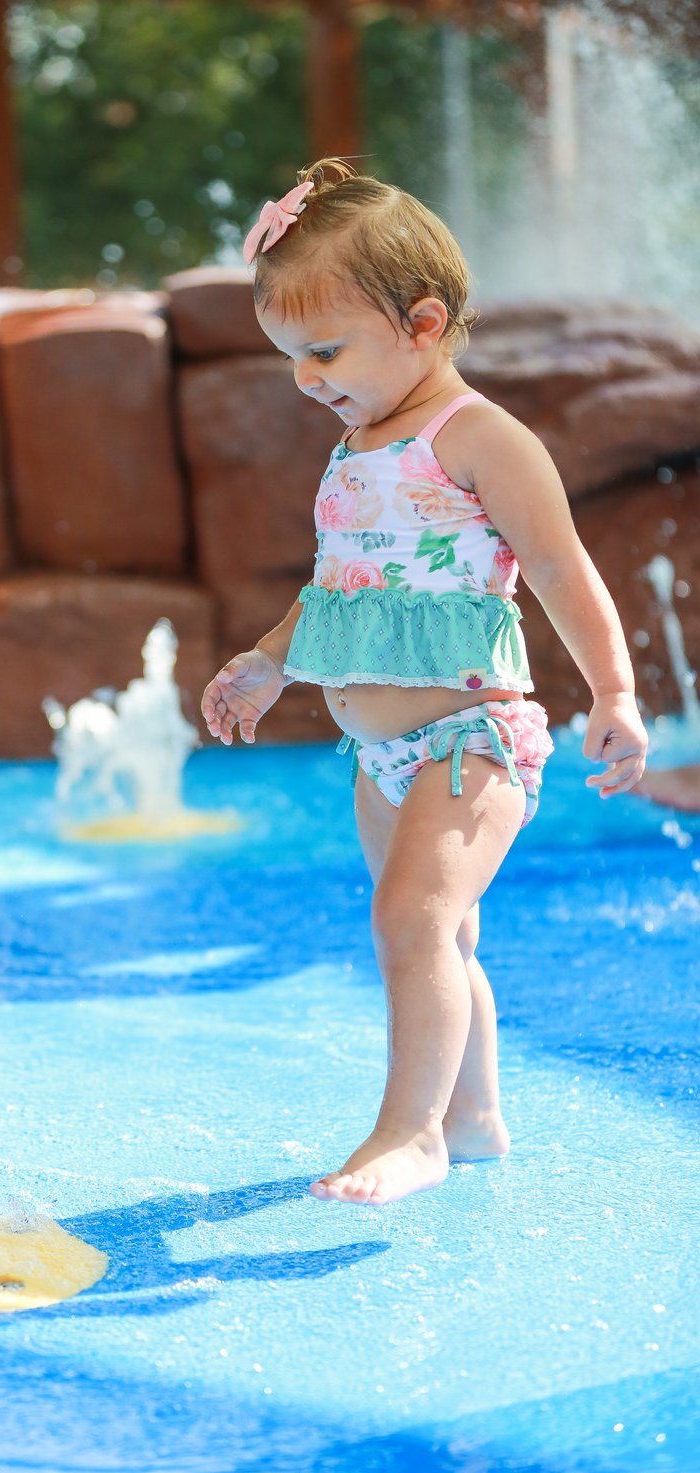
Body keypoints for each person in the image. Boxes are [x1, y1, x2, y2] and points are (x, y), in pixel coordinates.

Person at [201, 160, 648, 1206]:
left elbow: (559, 570)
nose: (307, 378)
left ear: (421, 321)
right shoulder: (358, 445)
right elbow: (338, 594)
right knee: (439, 935)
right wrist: (270, 660)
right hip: (381, 758)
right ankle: (475, 1114)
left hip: (470, 740)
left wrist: (613, 693)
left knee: (408, 925)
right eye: (290, 360)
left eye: (323, 350)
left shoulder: (479, 437)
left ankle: (411, 1132)